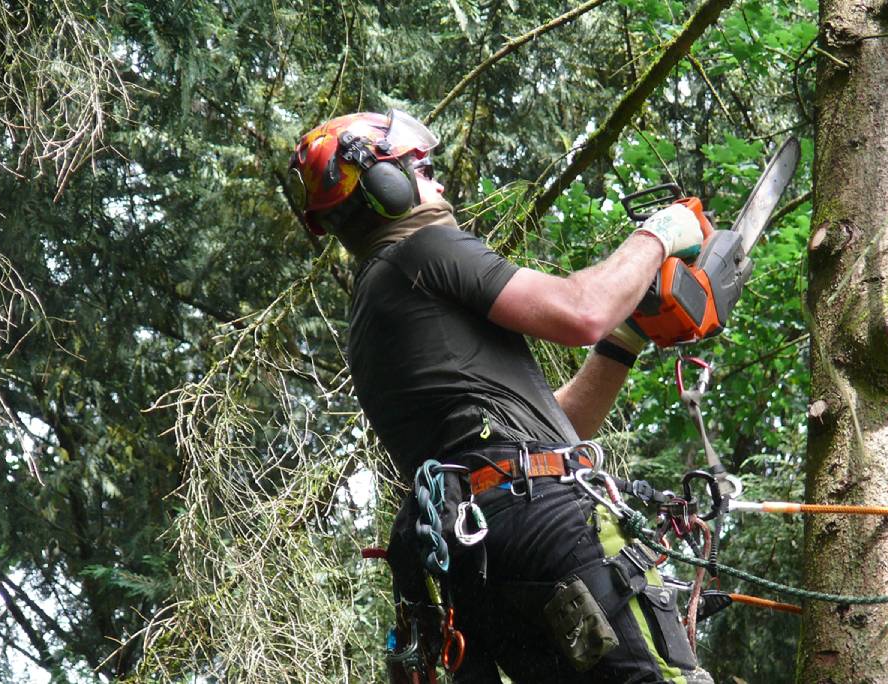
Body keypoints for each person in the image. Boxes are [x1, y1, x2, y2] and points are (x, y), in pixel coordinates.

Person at [288, 110, 713, 684]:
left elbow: (548, 432)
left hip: (485, 562)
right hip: (545, 528)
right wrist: (658, 235)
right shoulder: (424, 250)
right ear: (386, 186)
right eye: (424, 169)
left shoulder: (375, 308)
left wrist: (627, 337)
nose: (437, 184)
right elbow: (582, 310)